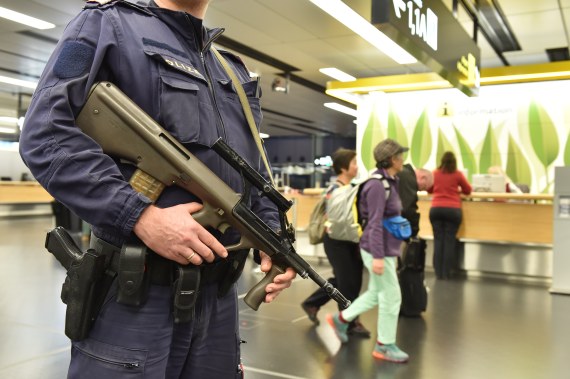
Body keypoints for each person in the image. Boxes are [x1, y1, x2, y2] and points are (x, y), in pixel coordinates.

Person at [18, 1, 296, 378]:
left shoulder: (231, 68)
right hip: (137, 296)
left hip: (218, 302)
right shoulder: (107, 24)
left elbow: (253, 170)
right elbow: (47, 133)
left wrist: (269, 234)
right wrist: (139, 216)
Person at [327, 138, 410, 363]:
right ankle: (384, 345)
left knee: (376, 293)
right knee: (392, 297)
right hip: (377, 250)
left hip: (384, 249)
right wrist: (379, 257)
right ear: (391, 159)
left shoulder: (390, 181)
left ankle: (341, 319)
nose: (403, 159)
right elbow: (373, 223)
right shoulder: (376, 185)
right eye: (400, 155)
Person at [301, 148, 370, 338]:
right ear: (343, 167)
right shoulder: (336, 190)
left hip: (349, 242)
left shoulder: (350, 188)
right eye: (354, 162)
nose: (357, 166)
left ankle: (312, 302)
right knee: (349, 284)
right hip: (337, 243)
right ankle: (349, 323)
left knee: (343, 280)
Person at [428, 151, 472, 279]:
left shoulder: (435, 173)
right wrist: (456, 190)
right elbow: (468, 190)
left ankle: (438, 273)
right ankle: (446, 273)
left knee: (438, 240)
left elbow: (429, 189)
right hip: (453, 210)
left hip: (436, 209)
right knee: (449, 241)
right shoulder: (458, 174)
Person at [397, 164, 433, 237]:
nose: (420, 191)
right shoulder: (409, 180)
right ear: (423, 178)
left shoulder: (402, 172)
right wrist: (414, 229)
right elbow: (407, 208)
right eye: (423, 188)